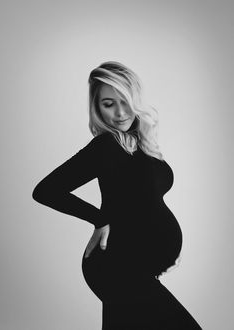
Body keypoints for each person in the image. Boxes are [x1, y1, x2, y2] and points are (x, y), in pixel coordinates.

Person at [32, 61, 202, 329]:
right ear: (96, 108)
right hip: (115, 267)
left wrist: (160, 254)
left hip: (137, 267)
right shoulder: (106, 145)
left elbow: (141, 205)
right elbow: (46, 191)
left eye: (124, 101)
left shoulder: (141, 143)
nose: (120, 112)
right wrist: (98, 219)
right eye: (108, 104)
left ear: (136, 100)